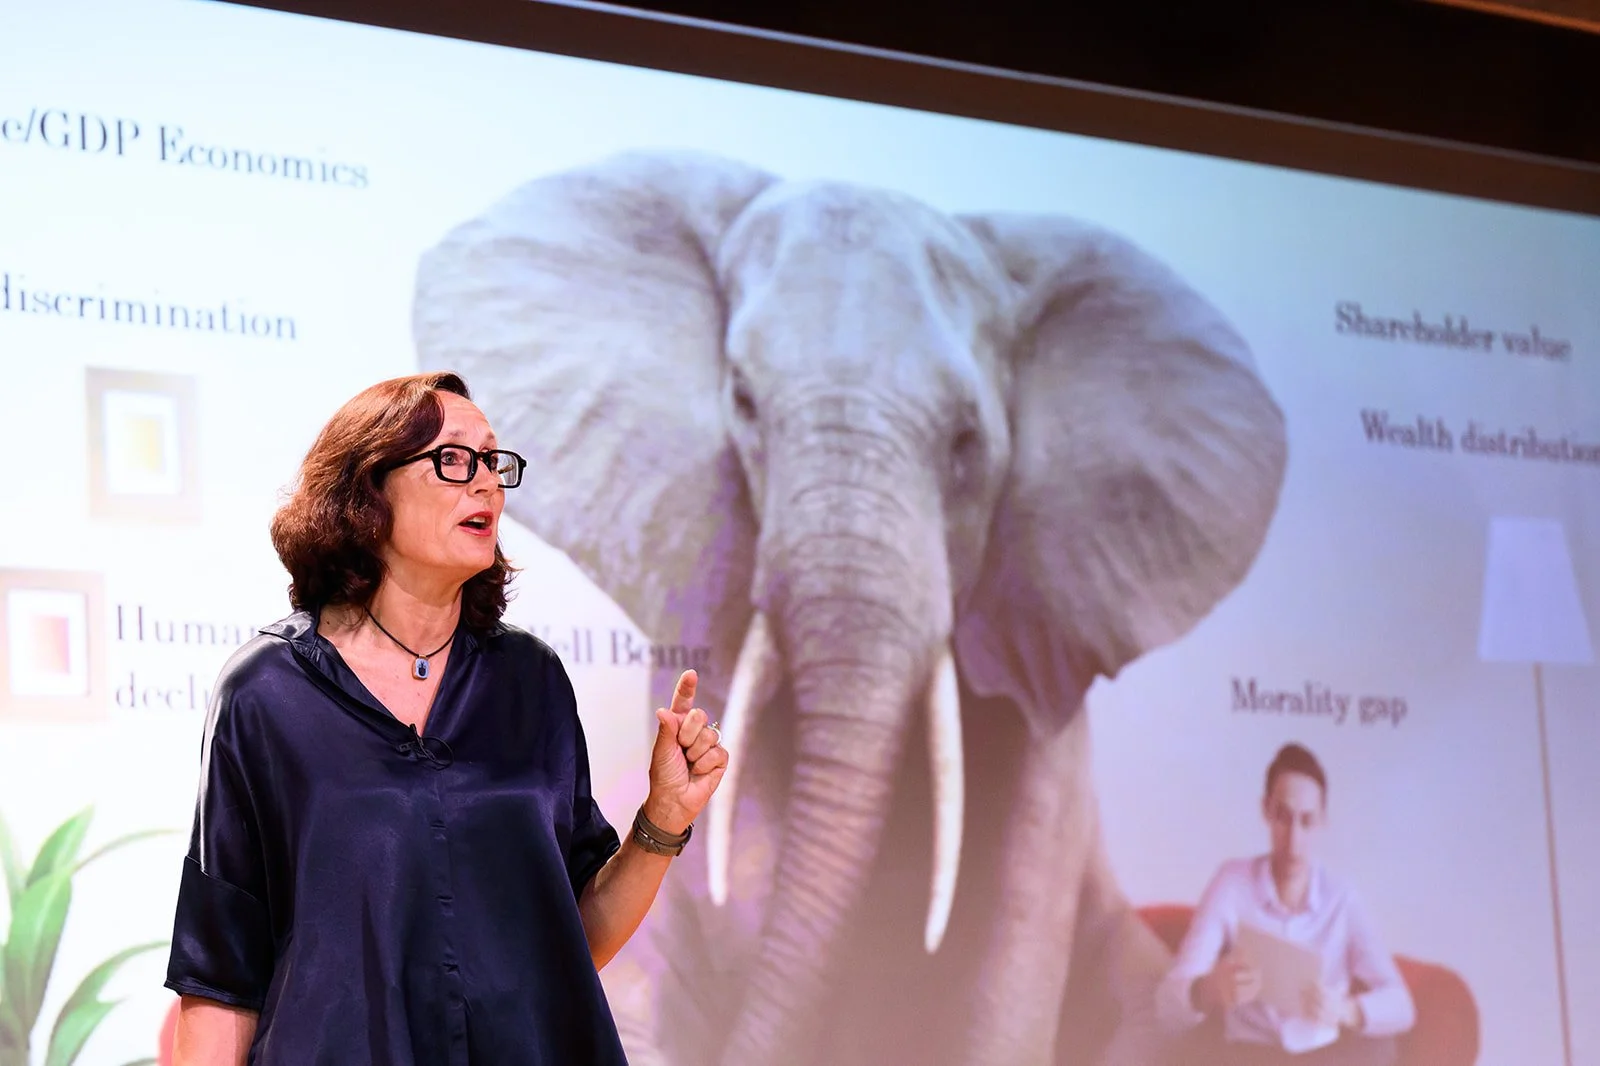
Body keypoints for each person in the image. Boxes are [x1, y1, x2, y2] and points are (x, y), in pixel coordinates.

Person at [163, 371, 728, 1065]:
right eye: (454, 459)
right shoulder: (266, 691)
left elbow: (569, 942)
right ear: (367, 490)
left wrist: (663, 819)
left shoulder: (531, 681)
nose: (486, 483)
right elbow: (221, 973)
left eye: (492, 460)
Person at [1155, 743, 1415, 1066]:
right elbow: (1165, 1007)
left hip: (1326, 1057)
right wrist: (1209, 989)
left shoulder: (1342, 897)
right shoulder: (1232, 883)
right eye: (1283, 818)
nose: (1293, 842)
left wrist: (1346, 1010)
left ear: (1323, 820)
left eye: (1307, 821)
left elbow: (1403, 1006)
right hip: (1247, 1056)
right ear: (1266, 810)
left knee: (1380, 1049)